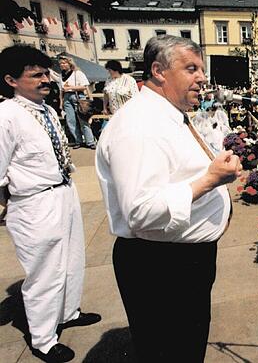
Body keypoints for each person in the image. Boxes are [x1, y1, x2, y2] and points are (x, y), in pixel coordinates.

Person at [96, 35, 241, 362]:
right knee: (172, 352)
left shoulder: (167, 114)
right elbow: (142, 211)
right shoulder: (139, 125)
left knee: (186, 348)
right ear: (159, 71)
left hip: (180, 260)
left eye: (201, 69)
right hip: (162, 267)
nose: (202, 77)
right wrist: (210, 180)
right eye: (191, 68)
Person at [0, 45, 101, 363]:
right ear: (11, 80)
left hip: (63, 192)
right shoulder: (6, 117)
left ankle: (68, 312)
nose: (46, 79)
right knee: (45, 272)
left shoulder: (44, 109)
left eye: (46, 73)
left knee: (71, 261)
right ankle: (43, 338)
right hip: (34, 202)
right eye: (36, 75)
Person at [58, 56, 95, 149]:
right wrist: (61, 101)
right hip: (67, 97)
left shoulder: (77, 73)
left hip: (77, 96)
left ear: (69, 63)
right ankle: (78, 141)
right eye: (61, 63)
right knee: (71, 121)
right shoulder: (61, 75)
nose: (62, 65)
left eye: (64, 63)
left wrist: (70, 87)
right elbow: (61, 90)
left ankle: (90, 141)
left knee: (82, 119)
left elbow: (84, 87)